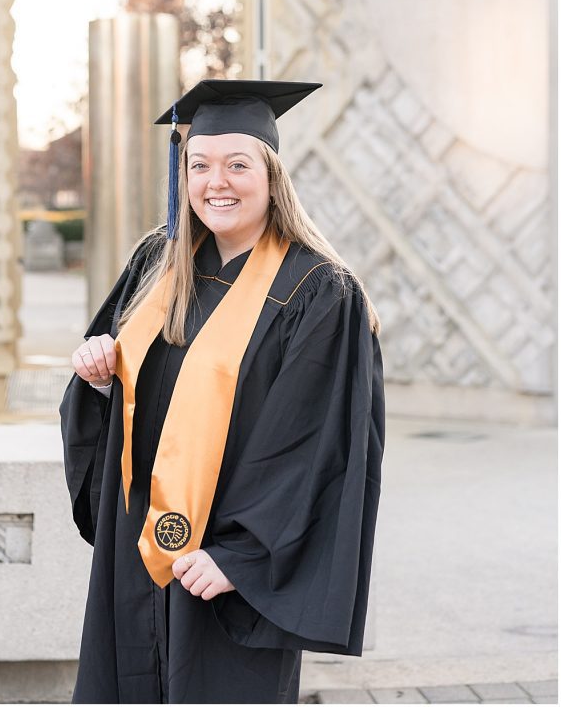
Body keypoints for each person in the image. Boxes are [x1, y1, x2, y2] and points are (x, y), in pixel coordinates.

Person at [59, 79, 385, 705]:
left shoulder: (317, 291)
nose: (217, 182)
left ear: (273, 176)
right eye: (199, 164)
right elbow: (122, 398)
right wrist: (98, 378)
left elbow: (315, 446)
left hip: (223, 570)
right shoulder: (159, 263)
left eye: (239, 164)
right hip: (140, 547)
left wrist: (241, 558)